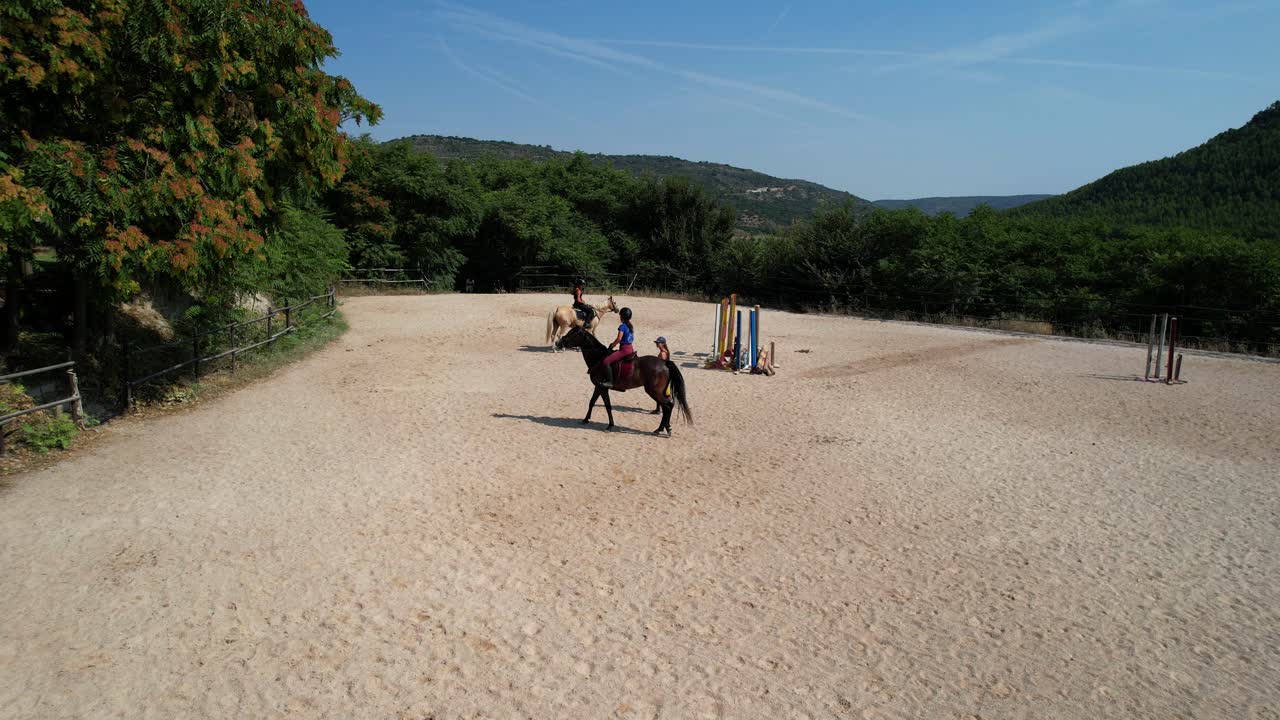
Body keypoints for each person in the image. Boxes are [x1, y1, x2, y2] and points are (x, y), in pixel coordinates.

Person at [593, 307, 635, 388]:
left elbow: (618, 339)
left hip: (624, 350)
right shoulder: (630, 326)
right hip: (631, 349)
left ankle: (610, 382)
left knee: (606, 361)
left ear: (622, 316)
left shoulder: (622, 326)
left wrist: (612, 345)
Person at [651, 336, 670, 413]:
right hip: (664, 374)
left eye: (658, 343)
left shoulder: (663, 353)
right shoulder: (665, 351)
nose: (657, 344)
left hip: (662, 375)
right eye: (657, 343)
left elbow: (660, 365)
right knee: (661, 392)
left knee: (662, 392)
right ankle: (658, 408)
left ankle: (663, 408)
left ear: (663, 344)